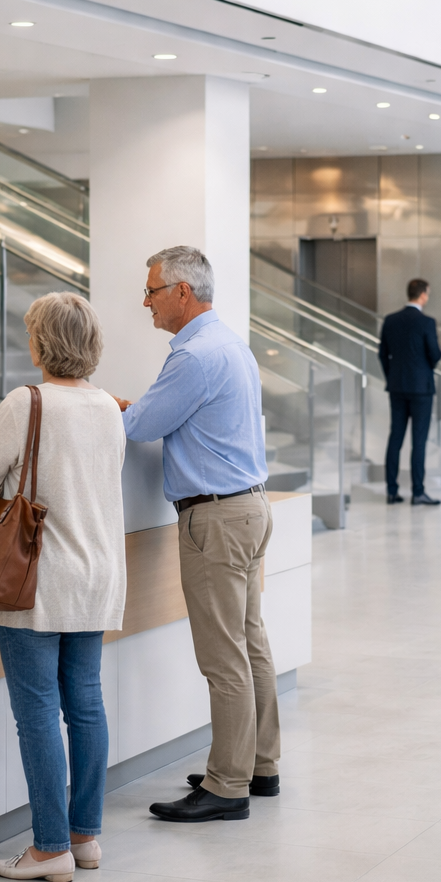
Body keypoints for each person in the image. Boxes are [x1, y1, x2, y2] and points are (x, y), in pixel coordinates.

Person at [0, 292, 127, 882]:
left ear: (41, 343)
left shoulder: (25, 402)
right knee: (85, 703)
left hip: (39, 577)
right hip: (97, 571)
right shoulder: (108, 405)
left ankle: (49, 848)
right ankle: (84, 838)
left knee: (36, 712)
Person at [112, 245, 280, 824]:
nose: (146, 301)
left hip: (216, 519)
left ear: (183, 293)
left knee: (222, 655)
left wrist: (119, 409)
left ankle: (227, 786)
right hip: (248, 510)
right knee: (250, 642)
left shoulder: (194, 356)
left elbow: (141, 425)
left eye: (153, 290)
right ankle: (259, 763)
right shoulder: (228, 344)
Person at [379, 278, 441, 505]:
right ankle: (417, 492)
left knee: (395, 437)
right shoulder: (427, 322)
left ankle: (392, 491)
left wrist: (392, 377)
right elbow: (435, 355)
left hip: (397, 386)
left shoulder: (391, 320)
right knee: (419, 441)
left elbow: (382, 354)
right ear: (423, 295)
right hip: (421, 388)